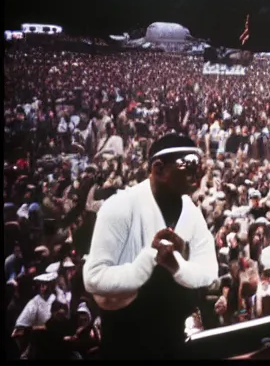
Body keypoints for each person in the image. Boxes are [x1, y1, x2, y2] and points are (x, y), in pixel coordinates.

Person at [83, 134, 218, 360]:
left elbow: (209, 271)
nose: (197, 176)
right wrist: (150, 260)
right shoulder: (119, 207)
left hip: (175, 339)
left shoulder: (192, 213)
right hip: (126, 341)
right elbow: (94, 277)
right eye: (188, 167)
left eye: (198, 168)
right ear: (159, 169)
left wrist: (177, 266)